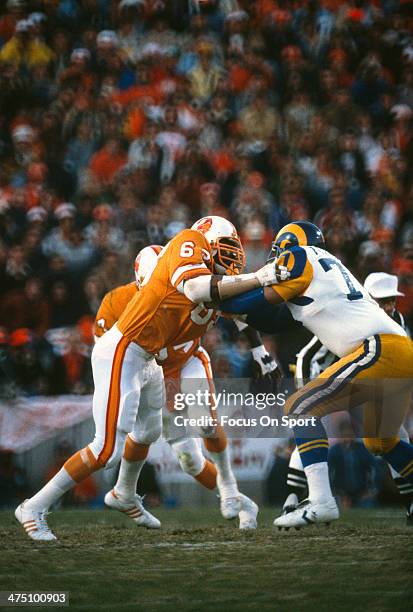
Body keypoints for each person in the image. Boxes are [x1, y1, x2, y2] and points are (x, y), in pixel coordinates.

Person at [15, 215, 281, 540]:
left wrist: (260, 352)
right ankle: (33, 507)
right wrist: (261, 276)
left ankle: (124, 493)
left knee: (149, 430)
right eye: (226, 245)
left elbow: (234, 307)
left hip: (150, 359)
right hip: (125, 351)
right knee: (106, 449)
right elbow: (198, 288)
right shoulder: (187, 247)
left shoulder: (206, 275)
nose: (233, 254)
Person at [219, 221, 413, 529]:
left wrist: (218, 293)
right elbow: (273, 318)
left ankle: (321, 500)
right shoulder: (321, 270)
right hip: (399, 351)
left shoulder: (299, 257)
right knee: (382, 441)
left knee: (300, 406)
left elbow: (254, 301)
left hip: (379, 350)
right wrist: (236, 308)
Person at [95, 244, 279, 529]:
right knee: (185, 458)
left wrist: (259, 352)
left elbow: (236, 309)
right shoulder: (119, 301)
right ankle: (125, 492)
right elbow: (109, 352)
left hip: (183, 365)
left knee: (202, 429)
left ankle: (231, 492)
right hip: (150, 377)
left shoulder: (188, 281)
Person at [282, 272, 413, 524]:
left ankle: (409, 503)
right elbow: (309, 356)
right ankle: (293, 497)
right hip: (340, 376)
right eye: (381, 300)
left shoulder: (395, 319)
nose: (388, 307)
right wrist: (304, 389)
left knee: (388, 439)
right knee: (308, 420)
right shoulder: (354, 316)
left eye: (391, 301)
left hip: (374, 378)